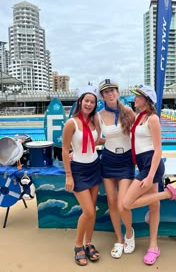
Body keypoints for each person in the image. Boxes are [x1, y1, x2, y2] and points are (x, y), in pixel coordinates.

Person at [122, 85, 176, 266]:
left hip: (152, 166)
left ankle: (168, 194)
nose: (134, 99)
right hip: (143, 164)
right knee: (154, 206)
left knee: (126, 203)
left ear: (146, 99)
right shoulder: (140, 117)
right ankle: (154, 247)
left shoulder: (153, 119)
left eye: (138, 97)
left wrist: (149, 177)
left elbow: (158, 150)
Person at [62, 85, 101, 266]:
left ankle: (88, 243)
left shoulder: (94, 122)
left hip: (94, 166)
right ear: (80, 102)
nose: (89, 104)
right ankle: (78, 246)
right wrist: (69, 175)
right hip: (79, 169)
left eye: (92, 102)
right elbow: (64, 149)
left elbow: (98, 140)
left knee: (92, 212)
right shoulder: (72, 123)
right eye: (86, 101)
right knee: (88, 211)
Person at [97, 78, 136, 258]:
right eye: (106, 91)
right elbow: (97, 139)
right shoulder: (98, 116)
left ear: (118, 92)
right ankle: (119, 239)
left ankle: (129, 233)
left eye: (113, 90)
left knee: (122, 204)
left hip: (126, 161)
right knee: (112, 202)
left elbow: (139, 134)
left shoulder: (128, 111)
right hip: (109, 160)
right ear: (102, 96)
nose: (110, 93)